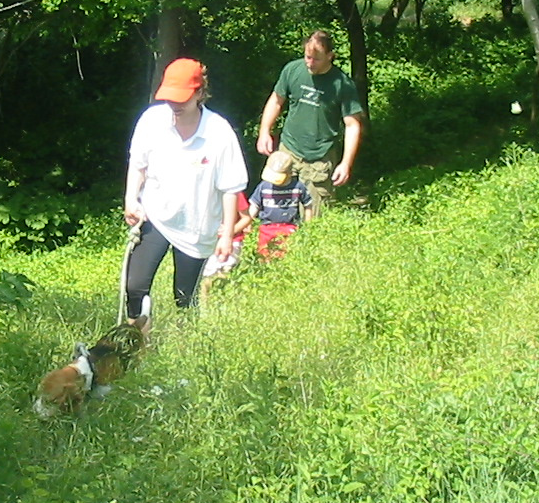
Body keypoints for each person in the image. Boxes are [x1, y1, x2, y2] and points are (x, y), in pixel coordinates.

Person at [123, 57, 248, 317]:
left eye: (181, 98)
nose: (174, 104)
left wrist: (226, 236)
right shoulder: (151, 120)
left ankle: (183, 345)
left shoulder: (219, 132)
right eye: (169, 98)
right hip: (156, 214)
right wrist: (131, 199)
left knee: (184, 296)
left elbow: (230, 188)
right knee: (134, 286)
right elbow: (138, 164)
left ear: (200, 92)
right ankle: (134, 341)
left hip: (197, 225)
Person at [254, 29, 365, 205]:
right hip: (288, 150)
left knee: (312, 219)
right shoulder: (293, 70)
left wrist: (345, 163)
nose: (310, 63)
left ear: (330, 56)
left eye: (316, 59)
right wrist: (264, 131)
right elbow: (276, 101)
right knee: (276, 209)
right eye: (307, 57)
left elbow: (352, 126)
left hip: (319, 158)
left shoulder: (343, 84)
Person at [248, 150, 315, 260]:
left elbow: (308, 204)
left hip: (289, 227)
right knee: (264, 254)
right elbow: (255, 205)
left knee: (287, 255)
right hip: (267, 227)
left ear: (289, 174)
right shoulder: (264, 186)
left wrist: (308, 224)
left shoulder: (298, 187)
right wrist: (248, 221)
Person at [197, 189, 252, 303]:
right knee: (206, 276)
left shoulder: (235, 192)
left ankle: (229, 302)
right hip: (208, 240)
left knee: (227, 271)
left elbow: (246, 218)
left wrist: (229, 232)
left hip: (233, 240)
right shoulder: (201, 190)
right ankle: (205, 305)